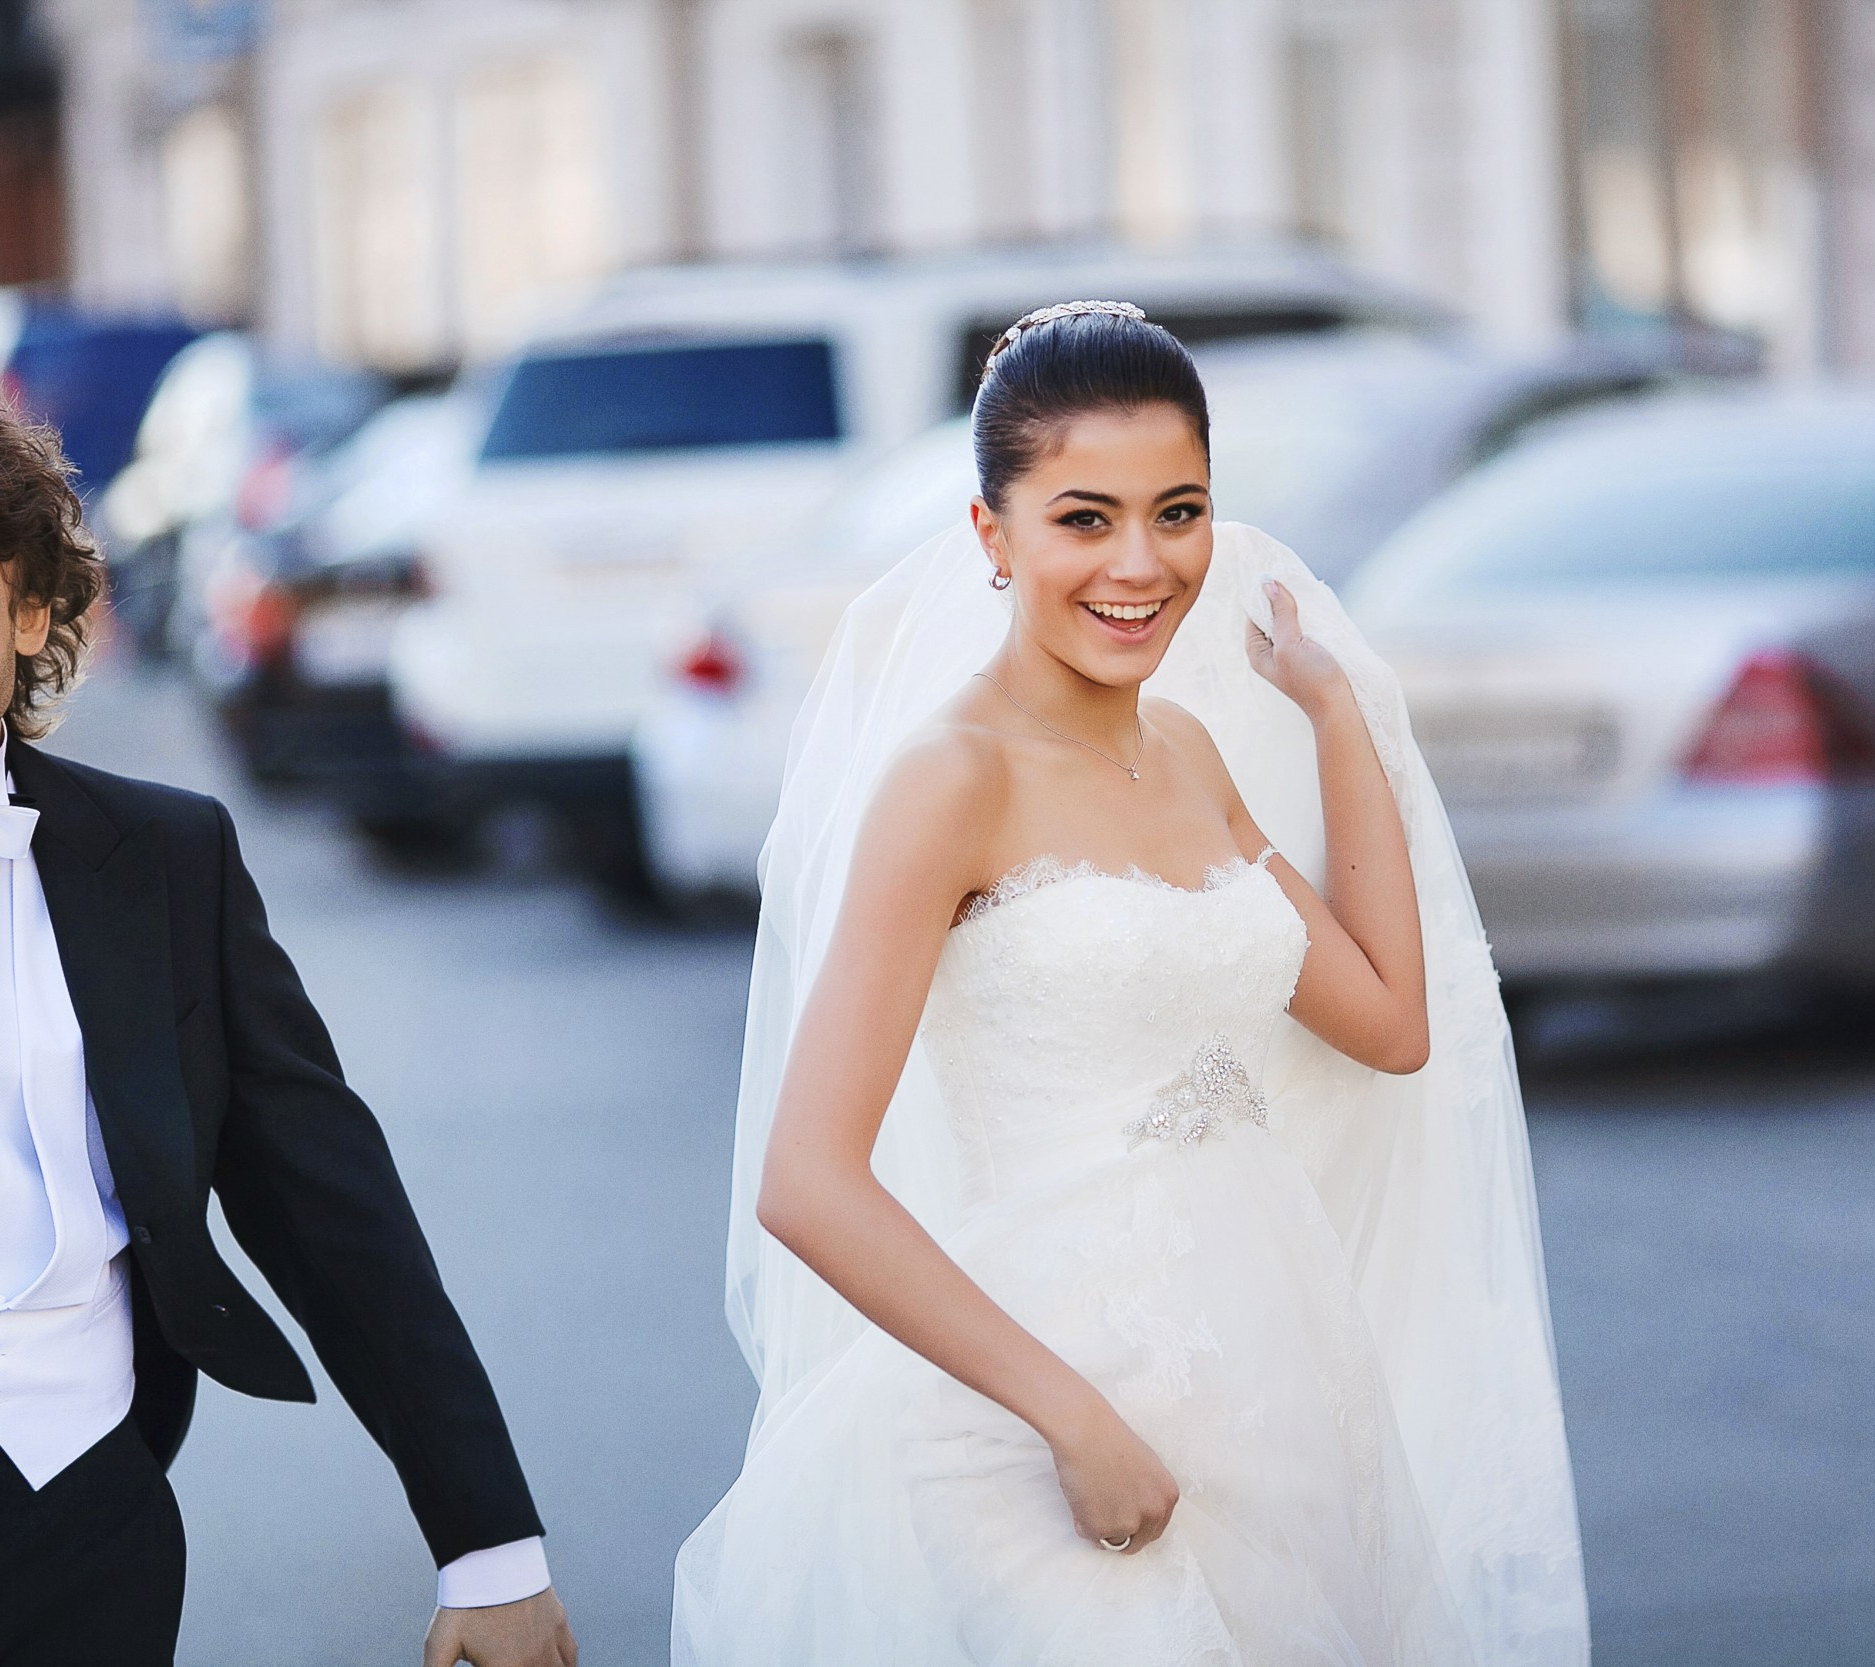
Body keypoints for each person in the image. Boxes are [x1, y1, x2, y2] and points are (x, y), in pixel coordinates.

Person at [673, 303, 1589, 1663]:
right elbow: (808, 1181)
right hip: (1039, 1419)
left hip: (1279, 1383)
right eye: (1085, 519)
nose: (1142, 563)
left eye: (1179, 512)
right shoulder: (949, 779)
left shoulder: (1191, 757)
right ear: (994, 537)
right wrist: (1072, 1418)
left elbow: (1393, 1023)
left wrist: (1336, 714)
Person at [0, 377, 577, 1667]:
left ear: (38, 613)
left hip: (87, 1533)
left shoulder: (170, 859)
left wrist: (487, 1546)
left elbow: (332, 1210)